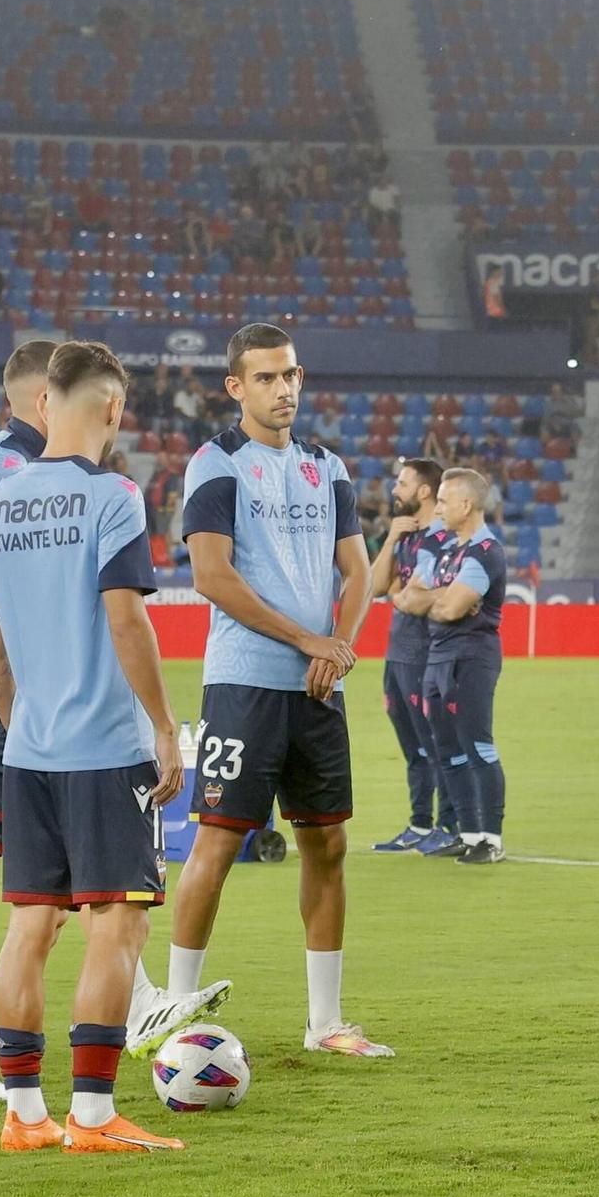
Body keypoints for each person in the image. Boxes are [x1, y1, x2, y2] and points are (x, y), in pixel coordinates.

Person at [0, 342, 222, 1103]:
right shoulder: (62, 485)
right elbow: (126, 618)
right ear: (94, 405)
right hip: (51, 725)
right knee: (106, 904)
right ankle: (117, 1056)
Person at [0, 340, 188, 1153]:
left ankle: (24, 1114)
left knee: (30, 925)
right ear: (113, 410)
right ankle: (92, 1114)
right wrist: (165, 726)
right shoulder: (114, 495)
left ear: (39, 408)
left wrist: (18, 709)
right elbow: (126, 616)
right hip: (104, 745)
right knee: (115, 925)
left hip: (29, 751)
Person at [171, 323, 389, 1057]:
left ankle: (325, 1021)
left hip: (318, 689)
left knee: (327, 843)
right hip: (244, 683)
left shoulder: (327, 466)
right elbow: (211, 575)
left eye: (290, 374)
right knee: (218, 843)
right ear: (235, 387)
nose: (284, 388)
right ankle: (174, 1009)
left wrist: (341, 645)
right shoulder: (215, 464)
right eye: (265, 378)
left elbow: (358, 573)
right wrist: (308, 640)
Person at [395, 467, 506, 865]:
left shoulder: (484, 550)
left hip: (471, 657)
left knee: (477, 746)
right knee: (448, 750)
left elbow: (449, 608)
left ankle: (491, 839)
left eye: (443, 500)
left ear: (466, 504)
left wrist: (440, 599)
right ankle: (468, 832)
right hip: (439, 656)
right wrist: (443, 598)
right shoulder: (446, 550)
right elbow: (410, 600)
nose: (437, 507)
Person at [368, 458, 458, 853]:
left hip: (428, 654)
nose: (394, 489)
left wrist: (403, 595)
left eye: (402, 482)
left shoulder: (440, 539)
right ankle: (420, 823)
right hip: (398, 654)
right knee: (413, 747)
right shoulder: (404, 535)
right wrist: (390, 539)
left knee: (437, 743)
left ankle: (450, 825)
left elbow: (410, 599)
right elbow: (376, 588)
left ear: (424, 491)